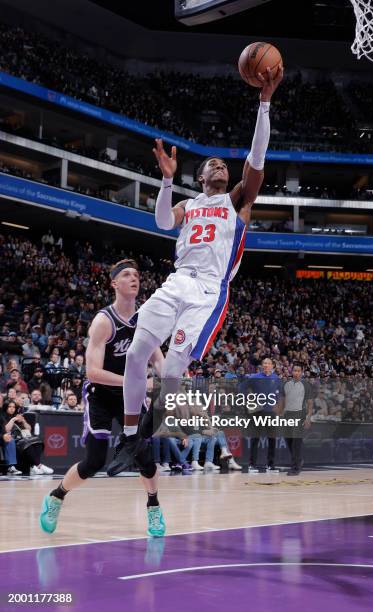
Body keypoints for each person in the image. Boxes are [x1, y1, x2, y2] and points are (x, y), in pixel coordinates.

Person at [109, 66, 284, 475]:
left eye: (224, 164)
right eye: (213, 165)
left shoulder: (238, 200)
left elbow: (256, 159)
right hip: (177, 281)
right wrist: (167, 182)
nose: (221, 166)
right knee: (136, 354)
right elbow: (162, 224)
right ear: (200, 177)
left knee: (171, 372)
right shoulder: (188, 203)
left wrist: (264, 103)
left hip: (208, 291)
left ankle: (142, 439)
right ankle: (131, 437)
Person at [39, 259, 166, 537]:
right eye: (126, 274)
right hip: (101, 395)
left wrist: (171, 378)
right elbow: (93, 372)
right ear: (114, 283)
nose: (134, 278)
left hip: (128, 396)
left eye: (136, 274)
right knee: (94, 462)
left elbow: (157, 358)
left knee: (144, 458)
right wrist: (137, 383)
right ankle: (56, 496)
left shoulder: (146, 319)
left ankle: (153, 507)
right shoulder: (103, 321)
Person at [246, 357, 283, 472]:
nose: (266, 365)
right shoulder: (254, 377)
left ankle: (270, 465)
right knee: (255, 438)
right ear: (262, 366)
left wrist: (278, 407)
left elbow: (279, 395)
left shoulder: (276, 379)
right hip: (257, 412)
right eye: (264, 363)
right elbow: (244, 389)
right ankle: (252, 465)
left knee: (272, 438)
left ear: (272, 366)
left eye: (268, 363)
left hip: (271, 413)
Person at [283, 363, 314, 476]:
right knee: (289, 440)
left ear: (302, 372)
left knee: (296, 441)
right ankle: (298, 460)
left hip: (300, 415)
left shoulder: (306, 385)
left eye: (298, 371)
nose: (296, 373)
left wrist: (308, 417)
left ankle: (295, 468)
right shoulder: (286, 384)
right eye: (294, 370)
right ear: (292, 372)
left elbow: (310, 403)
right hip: (287, 416)